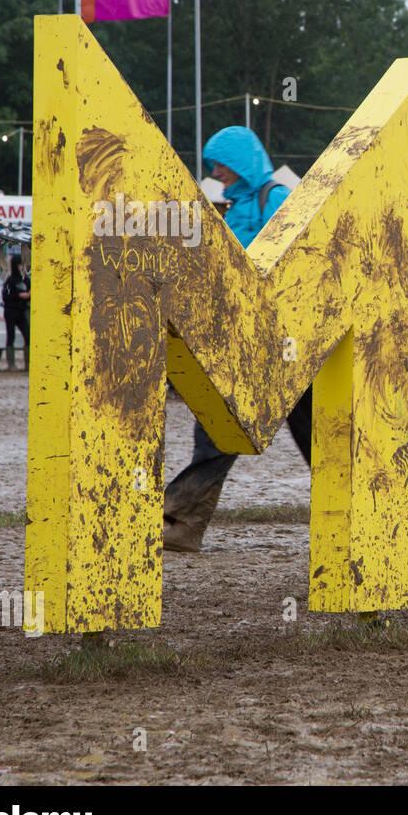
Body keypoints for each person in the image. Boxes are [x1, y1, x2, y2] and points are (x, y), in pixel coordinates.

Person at [163, 126, 310, 553]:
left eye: (220, 163)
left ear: (241, 162)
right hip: (245, 342)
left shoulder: (277, 199)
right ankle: (181, 522)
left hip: (282, 344)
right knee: (217, 428)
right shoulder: (236, 205)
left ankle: (360, 510)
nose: (216, 172)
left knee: (316, 435)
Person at [0, 251, 30, 371]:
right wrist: (19, 296)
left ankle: (28, 363)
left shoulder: (26, 280)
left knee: (28, 336)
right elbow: (6, 296)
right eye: (20, 265)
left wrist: (29, 295)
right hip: (11, 311)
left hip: (22, 311)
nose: (22, 267)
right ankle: (11, 364)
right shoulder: (10, 281)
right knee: (10, 336)